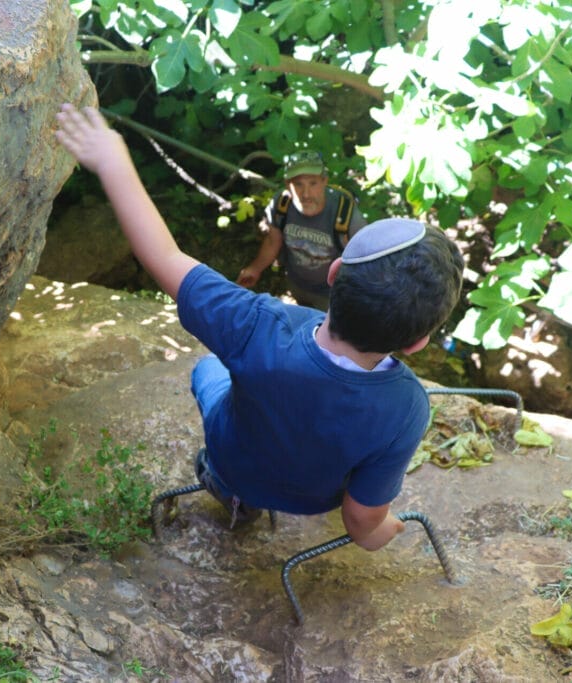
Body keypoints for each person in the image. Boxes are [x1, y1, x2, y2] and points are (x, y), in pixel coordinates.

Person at [54, 104, 464, 551]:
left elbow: (166, 258)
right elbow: (361, 523)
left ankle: (230, 493)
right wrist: (382, 532)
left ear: (333, 273)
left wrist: (113, 160)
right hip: (313, 499)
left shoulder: (256, 324)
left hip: (235, 464)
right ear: (417, 343)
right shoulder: (408, 407)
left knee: (208, 368)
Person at [237, 151, 368, 310]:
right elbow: (273, 241)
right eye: (298, 184)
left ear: (324, 181)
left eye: (313, 183)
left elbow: (364, 259)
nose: (305, 194)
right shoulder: (281, 204)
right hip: (296, 283)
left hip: (331, 294)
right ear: (287, 185)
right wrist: (255, 269)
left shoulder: (346, 215)